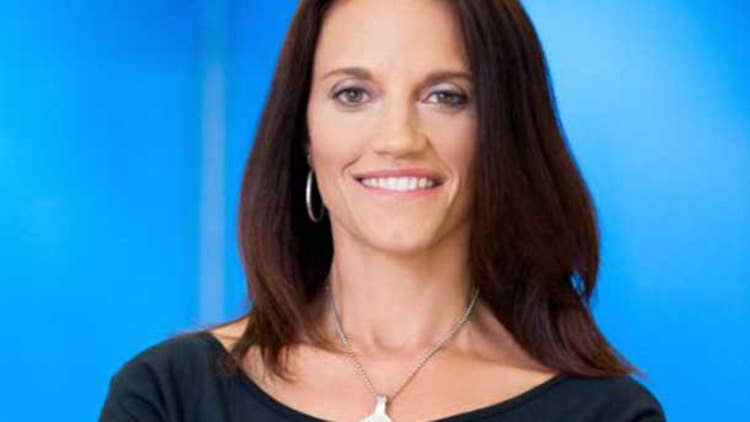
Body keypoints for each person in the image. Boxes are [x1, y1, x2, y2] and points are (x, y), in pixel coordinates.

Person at [99, 0, 666, 421]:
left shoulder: (608, 413)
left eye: (446, 96)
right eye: (352, 94)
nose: (398, 139)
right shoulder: (168, 396)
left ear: (502, 131)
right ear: (304, 134)